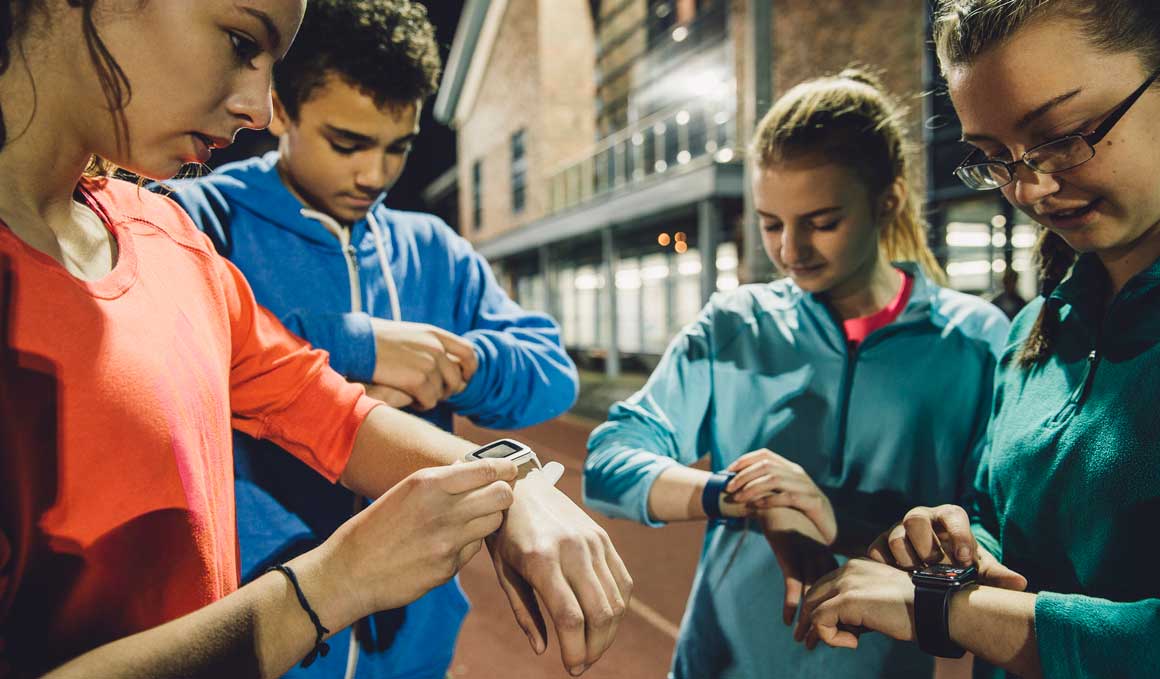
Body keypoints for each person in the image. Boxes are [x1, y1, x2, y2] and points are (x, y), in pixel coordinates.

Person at [0, 2, 628, 677]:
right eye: (241, 40)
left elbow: (329, 410)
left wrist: (515, 482)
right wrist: (331, 582)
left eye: (396, 148)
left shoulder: (167, 238)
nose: (259, 110)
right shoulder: (202, 216)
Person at [158, 2, 579, 676]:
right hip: (262, 633)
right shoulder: (204, 215)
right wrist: (356, 346)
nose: (375, 175)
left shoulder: (434, 248)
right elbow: (181, 348)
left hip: (415, 644)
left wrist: (452, 364)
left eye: (398, 147)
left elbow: (553, 375)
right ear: (282, 109)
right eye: (348, 143)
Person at [583, 68, 1010, 679]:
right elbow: (608, 462)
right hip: (718, 662)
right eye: (771, 222)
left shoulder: (977, 341)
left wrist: (833, 514)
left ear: (886, 199)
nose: (789, 250)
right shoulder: (735, 323)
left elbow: (988, 536)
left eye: (822, 221)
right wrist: (742, 497)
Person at [794, 2, 1160, 678]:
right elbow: (1004, 527)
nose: (1030, 186)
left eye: (1064, 133)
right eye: (995, 158)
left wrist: (943, 609)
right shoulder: (1033, 333)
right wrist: (957, 544)